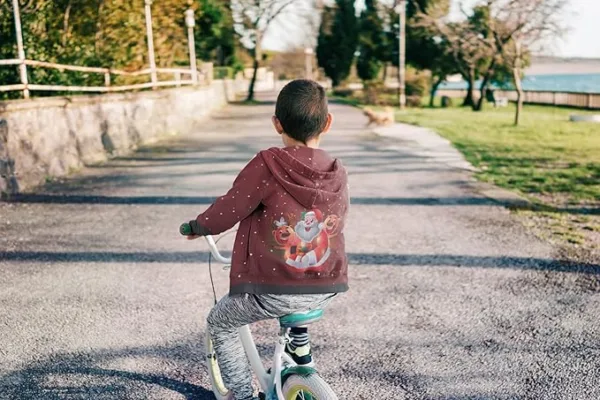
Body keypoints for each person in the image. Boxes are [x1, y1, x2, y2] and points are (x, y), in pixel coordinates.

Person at [184, 79, 349, 400]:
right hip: (327, 285)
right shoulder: (337, 170)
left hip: (276, 289)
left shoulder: (268, 163)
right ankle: (300, 353)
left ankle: (242, 395)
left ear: (276, 124)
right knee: (300, 290)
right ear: (327, 123)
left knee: (221, 323)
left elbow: (231, 207)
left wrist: (198, 226)